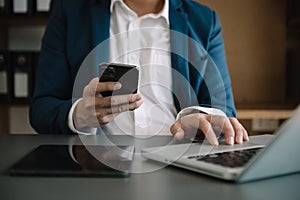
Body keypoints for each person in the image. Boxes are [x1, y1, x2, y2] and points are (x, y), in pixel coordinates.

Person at [30, 0, 249, 146]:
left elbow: (223, 110)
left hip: (180, 160)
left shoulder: (203, 21)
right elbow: (41, 109)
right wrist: (80, 115)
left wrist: (198, 122)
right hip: (95, 168)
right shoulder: (70, 12)